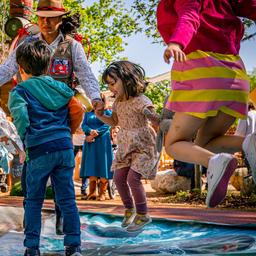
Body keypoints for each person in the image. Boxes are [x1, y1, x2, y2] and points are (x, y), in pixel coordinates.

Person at [0, 0, 104, 235]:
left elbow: (86, 74)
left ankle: (61, 216)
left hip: (60, 113)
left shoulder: (72, 46)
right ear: (36, 18)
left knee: (62, 173)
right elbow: (7, 68)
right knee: (31, 165)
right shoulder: (27, 42)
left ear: (60, 19)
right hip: (33, 111)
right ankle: (31, 214)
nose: (46, 22)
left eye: (51, 17)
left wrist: (95, 98)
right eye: (42, 17)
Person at [156, 0, 256, 208]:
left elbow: (190, 15)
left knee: (174, 143)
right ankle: (247, 143)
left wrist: (177, 42)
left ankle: (215, 162)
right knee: (205, 143)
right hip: (235, 76)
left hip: (201, 69)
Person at [8, 41, 83, 256]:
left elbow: (21, 117)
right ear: (49, 66)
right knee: (67, 198)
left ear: (21, 69)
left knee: (33, 200)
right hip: (63, 147)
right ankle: (73, 245)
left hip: (39, 148)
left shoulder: (20, 91)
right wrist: (67, 131)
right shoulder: (63, 89)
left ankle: (32, 247)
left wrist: (26, 137)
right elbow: (78, 110)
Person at [96, 61, 160, 232]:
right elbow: (114, 121)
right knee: (118, 178)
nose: (110, 88)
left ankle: (143, 214)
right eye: (108, 84)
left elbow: (152, 116)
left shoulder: (141, 100)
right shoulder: (117, 102)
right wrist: (100, 116)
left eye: (113, 82)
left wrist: (154, 117)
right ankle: (129, 208)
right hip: (125, 143)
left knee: (133, 179)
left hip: (143, 144)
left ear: (127, 79)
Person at [80, 96, 113, 201]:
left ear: (102, 101)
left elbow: (108, 124)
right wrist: (90, 132)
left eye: (97, 100)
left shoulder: (107, 112)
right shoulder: (88, 113)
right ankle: (92, 192)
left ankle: (102, 193)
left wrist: (95, 133)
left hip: (103, 141)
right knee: (91, 165)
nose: (94, 102)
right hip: (90, 141)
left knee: (103, 165)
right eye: (93, 100)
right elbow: (84, 125)